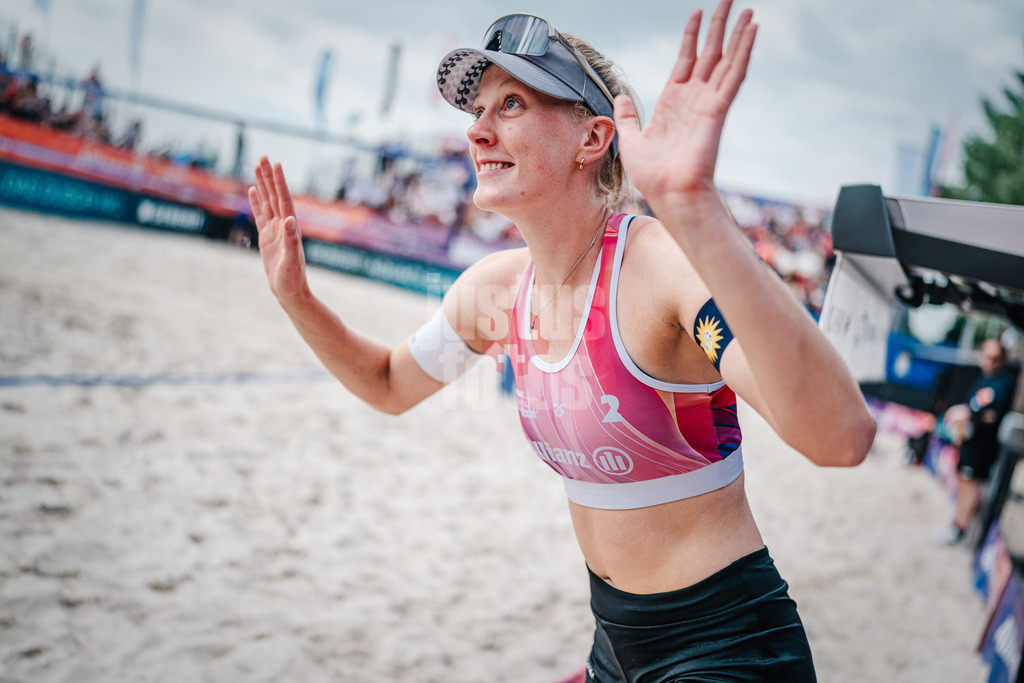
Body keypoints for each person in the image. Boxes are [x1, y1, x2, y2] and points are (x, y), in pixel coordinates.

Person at [247, 2, 875, 679]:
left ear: (592, 137)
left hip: (727, 646)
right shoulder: (497, 290)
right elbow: (388, 385)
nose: (478, 131)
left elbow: (839, 437)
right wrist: (297, 299)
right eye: (477, 111)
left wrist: (694, 208)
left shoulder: (659, 268)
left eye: (511, 104)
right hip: (614, 644)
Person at [936, 338, 1016, 544]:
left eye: (995, 358)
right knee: (963, 481)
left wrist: (968, 413)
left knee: (970, 485)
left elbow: (988, 410)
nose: (989, 361)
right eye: (987, 356)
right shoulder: (985, 378)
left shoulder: (1002, 382)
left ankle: (960, 529)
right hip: (970, 443)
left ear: (1002, 360)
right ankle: (958, 524)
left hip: (982, 447)